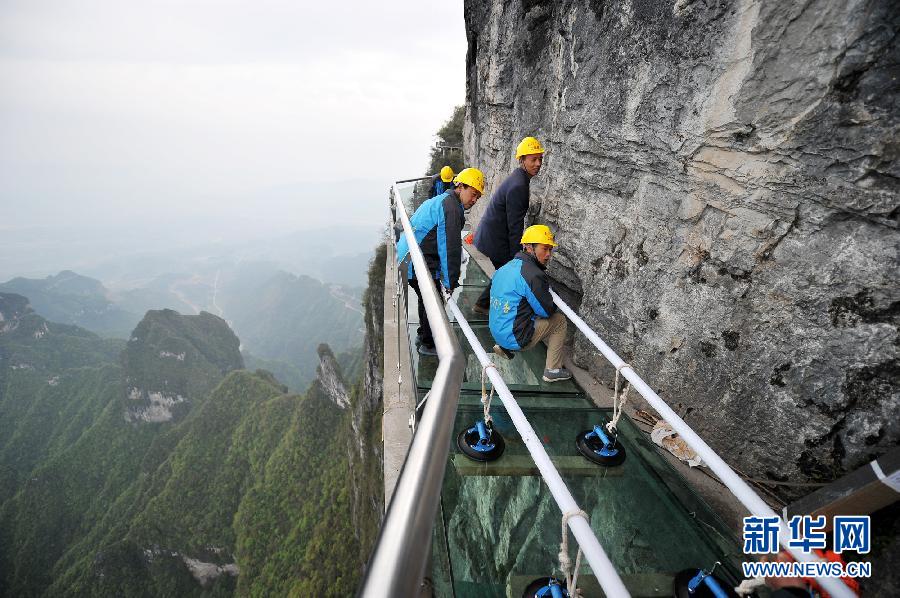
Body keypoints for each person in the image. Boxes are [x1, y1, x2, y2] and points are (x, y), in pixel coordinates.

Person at [397, 167, 485, 356]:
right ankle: (429, 344)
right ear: (460, 186)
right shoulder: (451, 209)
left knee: (426, 297)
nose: (474, 199)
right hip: (416, 261)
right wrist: (450, 282)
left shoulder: (443, 200)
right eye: (473, 193)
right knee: (434, 301)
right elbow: (449, 249)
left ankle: (423, 334)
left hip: (409, 256)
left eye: (478, 197)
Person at [489, 224, 571, 382]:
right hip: (514, 336)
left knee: (522, 306)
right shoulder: (533, 275)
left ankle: (505, 346)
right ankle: (553, 370)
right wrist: (550, 297)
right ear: (528, 247)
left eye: (550, 249)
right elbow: (546, 311)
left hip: (496, 331)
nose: (548, 254)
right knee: (559, 321)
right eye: (544, 249)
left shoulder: (506, 267)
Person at [473, 136, 545, 314]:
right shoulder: (519, 185)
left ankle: (484, 304)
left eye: (540, 159)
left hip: (493, 234)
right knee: (507, 273)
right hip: (496, 238)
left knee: (504, 273)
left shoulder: (519, 178)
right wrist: (516, 256)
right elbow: (515, 225)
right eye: (533, 159)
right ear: (522, 160)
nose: (538, 163)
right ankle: (485, 305)